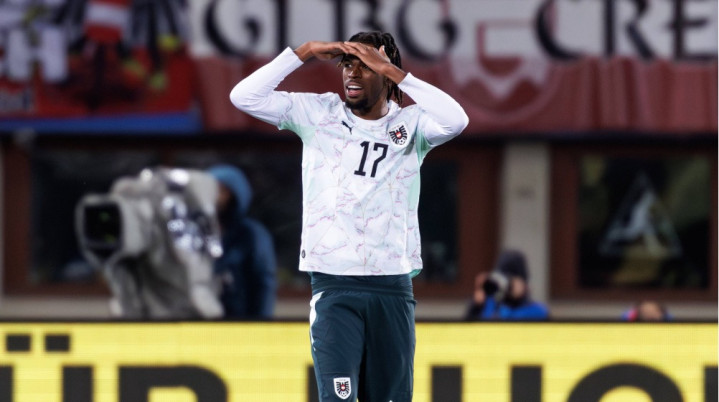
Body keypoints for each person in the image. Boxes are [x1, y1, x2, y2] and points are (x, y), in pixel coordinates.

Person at [229, 31, 468, 402]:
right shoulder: (318, 114)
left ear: (386, 74)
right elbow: (243, 96)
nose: (352, 73)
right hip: (334, 285)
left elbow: (457, 120)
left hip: (391, 286)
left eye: (366, 66)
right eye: (347, 64)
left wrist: (395, 71)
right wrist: (304, 53)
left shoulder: (413, 125)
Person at [207, 164, 277, 320]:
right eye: (209, 190)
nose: (215, 196)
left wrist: (262, 324)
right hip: (201, 322)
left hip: (241, 321)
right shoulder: (196, 232)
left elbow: (264, 282)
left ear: (235, 195)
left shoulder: (251, 233)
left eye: (222, 190)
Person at [465, 250, 550, 321]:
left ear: (524, 283)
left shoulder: (537, 312)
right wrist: (476, 306)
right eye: (502, 279)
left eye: (510, 280)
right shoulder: (489, 305)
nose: (506, 285)